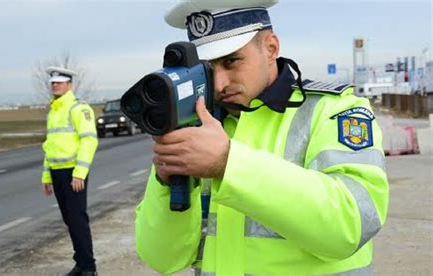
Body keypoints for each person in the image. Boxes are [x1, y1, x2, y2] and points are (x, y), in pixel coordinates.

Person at [135, 0, 389, 275]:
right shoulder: (199, 129)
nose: (219, 84)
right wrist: (166, 182)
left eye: (231, 61)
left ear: (271, 48)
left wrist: (227, 163)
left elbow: (351, 226)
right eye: (208, 70)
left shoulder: (335, 110)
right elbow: (161, 258)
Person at [41, 66, 98, 276]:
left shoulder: (78, 108)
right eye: (53, 82)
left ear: (69, 84)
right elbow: (50, 146)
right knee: (69, 220)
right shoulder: (54, 111)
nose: (55, 85)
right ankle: (81, 263)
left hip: (73, 173)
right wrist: (46, 175)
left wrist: (79, 173)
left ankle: (89, 268)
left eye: (59, 82)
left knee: (77, 219)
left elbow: (89, 140)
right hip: (57, 172)